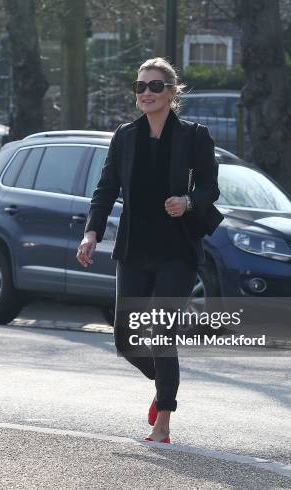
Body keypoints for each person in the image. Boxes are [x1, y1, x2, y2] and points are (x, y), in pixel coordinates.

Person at [76, 57, 222, 443]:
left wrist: (188, 202)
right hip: (135, 247)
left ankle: (164, 423)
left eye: (155, 86)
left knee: (160, 332)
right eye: (140, 86)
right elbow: (105, 189)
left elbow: (210, 188)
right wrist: (92, 233)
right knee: (127, 340)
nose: (146, 93)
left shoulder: (194, 136)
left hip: (178, 249)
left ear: (173, 92)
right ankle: (165, 387)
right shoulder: (125, 136)